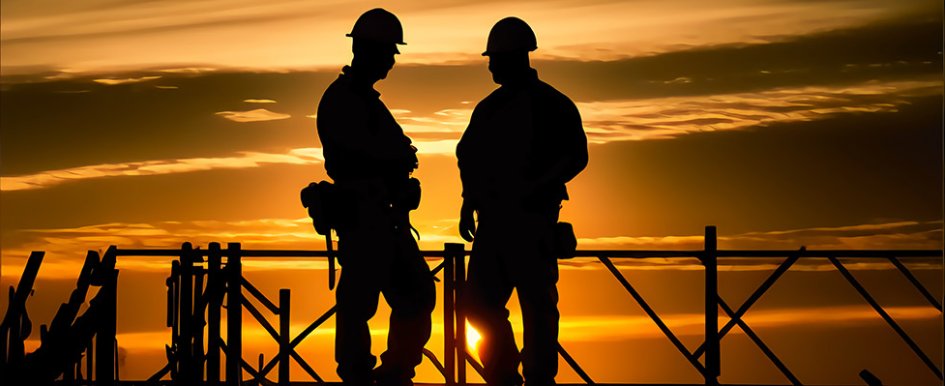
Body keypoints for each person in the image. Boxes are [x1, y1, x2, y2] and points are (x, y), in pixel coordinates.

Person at [456, 16, 588, 386]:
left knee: (537, 308)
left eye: (495, 58)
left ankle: (539, 380)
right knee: (478, 307)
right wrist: (470, 200)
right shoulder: (489, 109)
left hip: (532, 222)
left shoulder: (552, 106)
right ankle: (503, 376)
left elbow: (576, 155)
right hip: (494, 224)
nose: (490, 65)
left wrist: (539, 184)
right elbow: (468, 155)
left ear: (516, 57)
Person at [316, 8, 435, 386]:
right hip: (365, 218)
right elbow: (369, 153)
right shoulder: (343, 101)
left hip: (385, 218)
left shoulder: (365, 101)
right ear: (369, 51)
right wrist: (396, 163)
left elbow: (398, 151)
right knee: (359, 304)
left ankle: (394, 373)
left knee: (415, 296)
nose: (392, 61)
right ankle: (359, 376)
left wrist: (400, 166)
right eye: (388, 53)